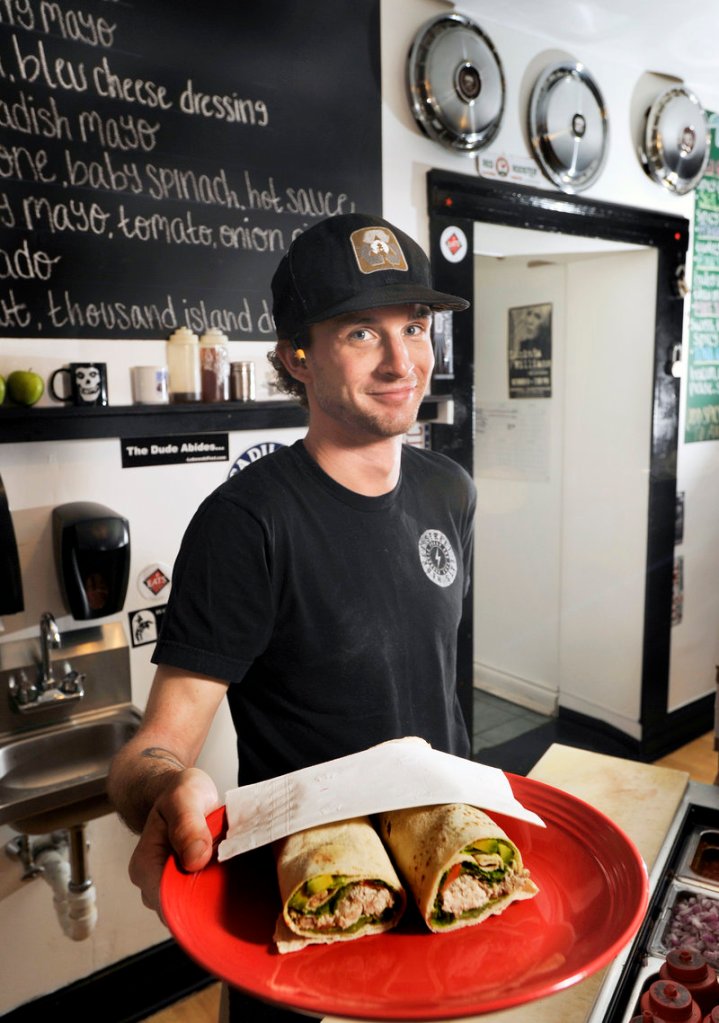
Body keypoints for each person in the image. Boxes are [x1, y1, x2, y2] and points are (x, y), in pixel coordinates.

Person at [107, 212, 476, 1022]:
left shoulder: (448, 489)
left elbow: (433, 680)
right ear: (294, 358)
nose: (400, 360)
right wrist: (169, 787)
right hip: (317, 896)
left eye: (413, 327)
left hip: (441, 873)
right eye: (359, 332)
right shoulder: (247, 523)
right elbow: (154, 748)